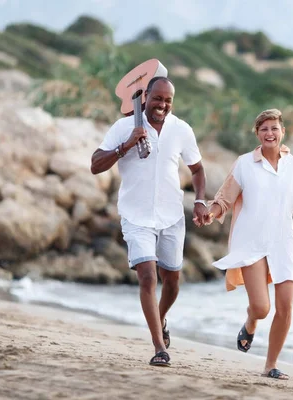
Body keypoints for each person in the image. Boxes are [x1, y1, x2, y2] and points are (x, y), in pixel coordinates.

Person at [90, 76, 208, 367]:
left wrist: (200, 199)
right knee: (147, 277)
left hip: (171, 216)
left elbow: (198, 170)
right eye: (158, 98)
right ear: (145, 97)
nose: (163, 105)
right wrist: (125, 146)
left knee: (173, 282)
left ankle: (161, 317)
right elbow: (95, 164)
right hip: (136, 215)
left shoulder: (181, 129)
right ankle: (159, 347)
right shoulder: (124, 127)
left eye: (168, 100)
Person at [201, 108, 293, 380]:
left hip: (283, 243)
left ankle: (270, 364)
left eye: (274, 128)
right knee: (261, 308)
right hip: (251, 244)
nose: (270, 133)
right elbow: (225, 198)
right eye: (264, 128)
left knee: (286, 307)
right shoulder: (245, 163)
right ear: (257, 134)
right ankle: (251, 321)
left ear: (283, 132)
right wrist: (212, 213)